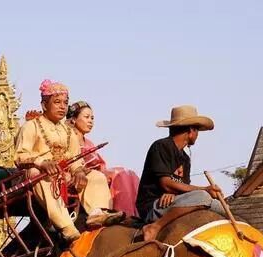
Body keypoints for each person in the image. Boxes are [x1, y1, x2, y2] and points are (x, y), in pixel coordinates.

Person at [14, 79, 123, 241]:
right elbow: (20, 156)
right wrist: (42, 163)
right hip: (37, 176)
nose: (62, 106)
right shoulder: (31, 126)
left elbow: (74, 158)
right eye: (57, 102)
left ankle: (98, 214)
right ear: (44, 105)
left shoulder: (68, 131)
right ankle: (67, 227)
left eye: (65, 103)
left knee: (96, 176)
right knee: (39, 174)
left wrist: (78, 171)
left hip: (64, 175)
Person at [136, 105, 225, 241]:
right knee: (202, 196)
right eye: (197, 130)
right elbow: (166, 184)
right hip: (154, 204)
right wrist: (205, 189)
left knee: (221, 207)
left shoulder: (185, 159)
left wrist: (174, 193)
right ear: (191, 130)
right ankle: (154, 227)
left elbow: (183, 189)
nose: (197, 135)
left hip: (174, 201)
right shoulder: (161, 146)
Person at [67, 101, 140, 217]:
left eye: (92, 118)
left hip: (96, 173)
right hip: (79, 174)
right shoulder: (67, 138)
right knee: (118, 173)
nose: (90, 121)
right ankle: (122, 212)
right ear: (74, 119)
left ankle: (131, 213)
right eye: (86, 117)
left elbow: (100, 165)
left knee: (128, 173)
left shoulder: (89, 143)